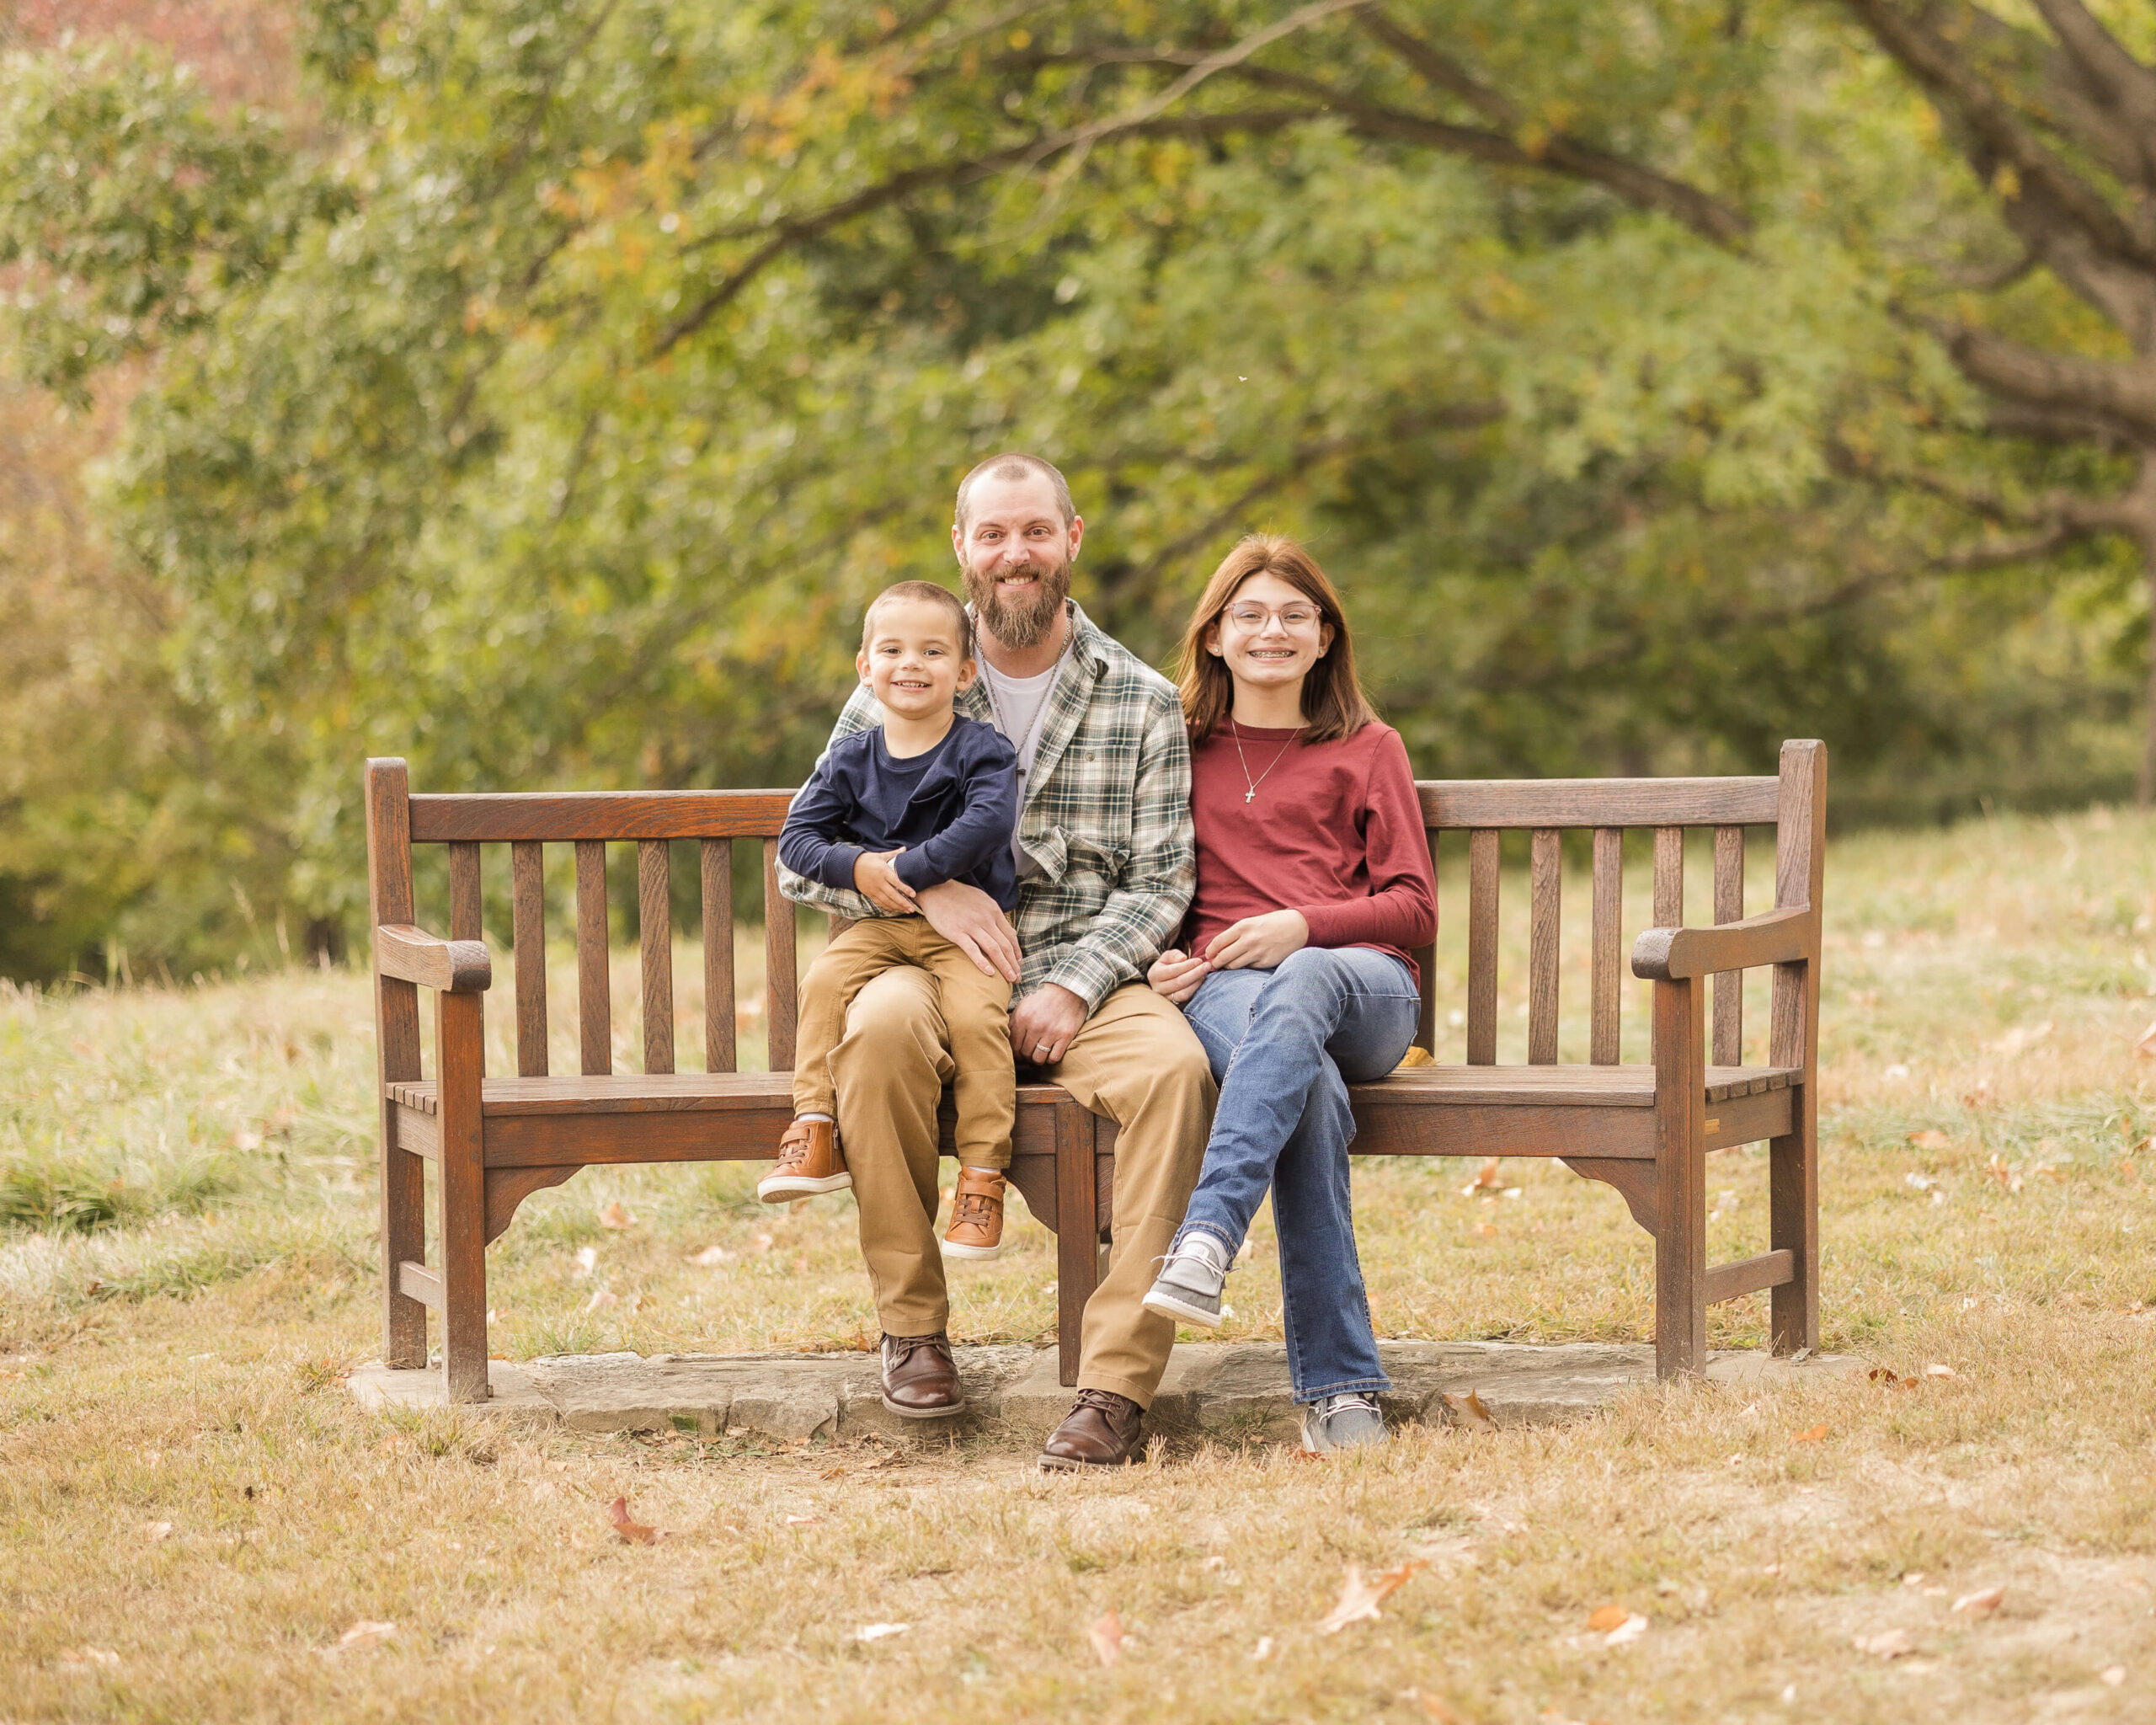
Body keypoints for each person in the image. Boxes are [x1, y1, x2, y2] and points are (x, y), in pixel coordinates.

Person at [776, 453, 1214, 1466]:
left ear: (1072, 540)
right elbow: (806, 860)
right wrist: (922, 882)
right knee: (877, 1030)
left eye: (1034, 531)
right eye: (992, 534)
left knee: (1176, 1073)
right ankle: (914, 1328)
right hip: (927, 962)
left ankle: (1114, 1383)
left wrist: (1071, 983)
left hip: (1086, 972)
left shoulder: (1138, 699)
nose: (1014, 553)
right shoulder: (907, 663)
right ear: (962, 548)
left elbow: (1161, 880)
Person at [1139, 534, 1436, 1455]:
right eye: (1251, 613)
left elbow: (1414, 906)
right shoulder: (1174, 745)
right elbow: (1141, 884)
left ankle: (1208, 1234)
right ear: (1216, 635)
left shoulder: (1366, 745)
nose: (1273, 630)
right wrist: (1156, 959)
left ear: (1323, 637)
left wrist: (1303, 926)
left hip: (1361, 991)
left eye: (1294, 615)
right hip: (1227, 991)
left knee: (1302, 984)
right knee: (1303, 1089)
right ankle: (1342, 1391)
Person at [763, 582, 1022, 1268]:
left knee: (978, 1024)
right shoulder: (850, 759)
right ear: (865, 666)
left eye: (933, 651)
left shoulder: (981, 751)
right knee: (824, 983)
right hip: (880, 926)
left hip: (968, 935)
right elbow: (798, 840)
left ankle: (982, 1179)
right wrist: (859, 867)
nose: (912, 663)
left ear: (964, 673)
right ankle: (814, 1126)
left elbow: (987, 823)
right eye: (893, 649)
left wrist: (909, 869)